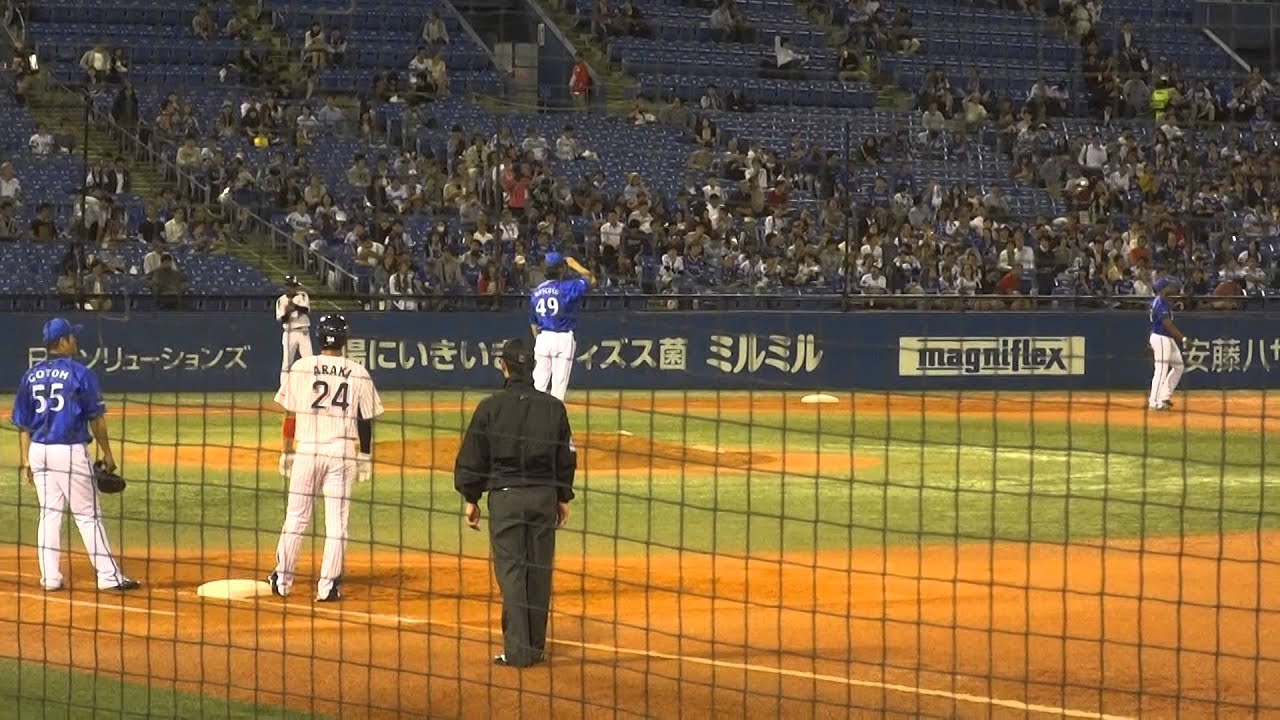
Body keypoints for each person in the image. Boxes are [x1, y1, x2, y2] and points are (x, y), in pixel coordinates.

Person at [454, 338, 577, 667]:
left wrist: (471, 497)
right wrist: (562, 496)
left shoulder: (490, 407)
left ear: (503, 367)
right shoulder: (553, 408)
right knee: (538, 571)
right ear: (533, 367)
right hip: (543, 498)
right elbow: (565, 457)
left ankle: (519, 651)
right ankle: (535, 647)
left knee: (512, 573)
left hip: (506, 498)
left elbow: (473, 457)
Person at [11, 318, 139, 592]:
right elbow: (96, 419)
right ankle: (109, 576)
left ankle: (50, 578)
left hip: (38, 451)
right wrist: (107, 453)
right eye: (72, 336)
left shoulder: (30, 375)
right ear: (62, 341)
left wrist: (25, 460)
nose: (75, 340)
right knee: (88, 515)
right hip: (68, 451)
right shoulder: (80, 373)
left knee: (49, 514)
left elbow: (23, 424)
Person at [269, 315, 384, 602]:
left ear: (319, 337)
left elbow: (290, 414)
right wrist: (365, 454)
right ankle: (328, 586)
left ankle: (282, 580)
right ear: (345, 339)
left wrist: (286, 450)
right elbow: (365, 419)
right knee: (337, 524)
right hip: (341, 453)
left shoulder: (301, 367)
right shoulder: (357, 371)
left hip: (307, 450)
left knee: (296, 518)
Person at [529, 253, 595, 401]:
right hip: (563, 337)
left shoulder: (537, 291)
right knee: (559, 383)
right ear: (561, 269)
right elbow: (590, 278)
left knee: (538, 381)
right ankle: (555, 412)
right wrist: (574, 264)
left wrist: (539, 340)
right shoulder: (569, 287)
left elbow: (533, 323)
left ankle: (533, 410)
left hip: (543, 338)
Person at [1147, 277, 1186, 411]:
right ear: (1163, 289)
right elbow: (1167, 325)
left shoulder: (1163, 302)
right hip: (1161, 338)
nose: (1171, 288)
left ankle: (1164, 396)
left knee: (1178, 365)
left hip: (1164, 338)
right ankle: (1154, 402)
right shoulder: (1160, 303)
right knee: (1161, 370)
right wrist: (1183, 339)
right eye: (1168, 286)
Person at [275, 275, 312, 388]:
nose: (292, 288)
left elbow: (305, 310)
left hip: (303, 331)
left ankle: (310, 386)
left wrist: (294, 306)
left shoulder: (302, 295)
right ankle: (284, 387)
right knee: (287, 362)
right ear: (285, 286)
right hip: (289, 332)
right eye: (290, 286)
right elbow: (282, 319)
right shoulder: (281, 300)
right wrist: (288, 311)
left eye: (294, 286)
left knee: (309, 360)